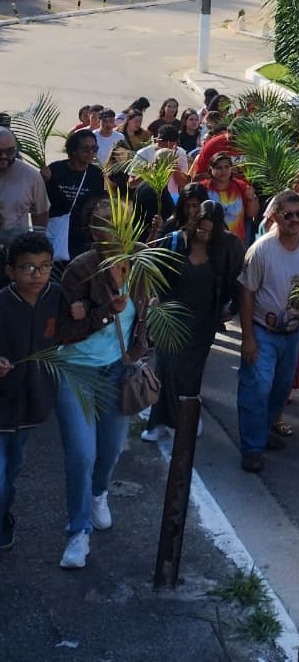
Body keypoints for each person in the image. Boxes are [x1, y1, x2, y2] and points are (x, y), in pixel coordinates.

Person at [56, 198, 151, 569]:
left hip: (117, 370)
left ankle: (98, 494)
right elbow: (66, 331)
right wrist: (103, 313)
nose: (110, 231)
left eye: (118, 222)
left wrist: (139, 349)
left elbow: (146, 312)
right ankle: (78, 532)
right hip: (76, 371)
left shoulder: (141, 261)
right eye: (101, 225)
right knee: (82, 454)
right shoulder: (80, 269)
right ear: (92, 233)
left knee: (110, 451)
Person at [236, 190, 299, 473]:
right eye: (288, 215)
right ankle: (251, 448)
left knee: (281, 387)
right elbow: (247, 293)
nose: (295, 220)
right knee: (257, 387)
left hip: (294, 332)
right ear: (275, 217)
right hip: (263, 331)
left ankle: (263, 431)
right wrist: (248, 338)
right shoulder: (261, 249)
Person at [141, 201, 244, 442]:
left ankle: (187, 418)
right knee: (165, 369)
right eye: (200, 228)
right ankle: (158, 422)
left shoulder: (225, 249)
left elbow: (235, 282)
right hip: (170, 319)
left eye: (209, 231)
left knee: (190, 374)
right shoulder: (176, 242)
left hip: (203, 323)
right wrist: (154, 299)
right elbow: (154, 268)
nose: (203, 234)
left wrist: (231, 309)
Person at [0, 233, 74, 550]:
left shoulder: (56, 296)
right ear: (10, 271)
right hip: (2, 400)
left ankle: (4, 515)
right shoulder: (2, 302)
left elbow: (74, 330)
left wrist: (106, 310)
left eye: (44, 266)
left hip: (33, 402)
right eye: (27, 267)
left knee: (13, 469)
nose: (36, 274)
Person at [43, 129, 106, 262]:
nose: (91, 153)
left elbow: (99, 204)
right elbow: (41, 199)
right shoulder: (55, 170)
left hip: (82, 237)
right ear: (73, 150)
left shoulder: (96, 174)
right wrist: (42, 180)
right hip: (56, 231)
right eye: (86, 149)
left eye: (94, 148)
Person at [0, 127, 50, 249]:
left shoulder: (30, 176)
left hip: (14, 250)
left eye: (10, 151)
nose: (4, 156)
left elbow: (41, 213)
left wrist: (37, 246)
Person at [202, 152, 257, 244]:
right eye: (219, 168)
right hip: (211, 242)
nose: (223, 171)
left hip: (237, 243)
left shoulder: (241, 186)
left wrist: (251, 199)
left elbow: (251, 214)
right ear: (211, 169)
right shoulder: (203, 188)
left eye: (227, 167)